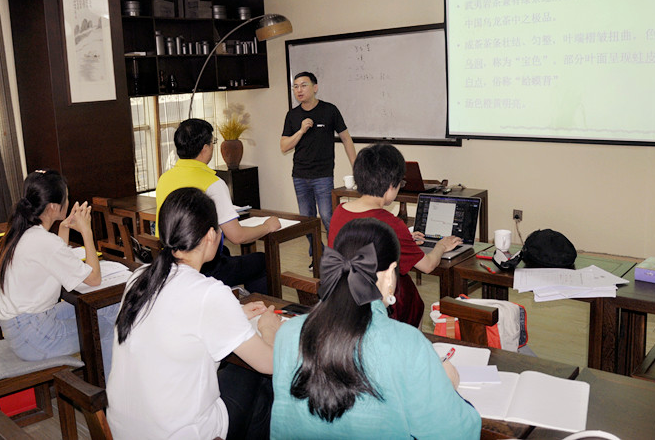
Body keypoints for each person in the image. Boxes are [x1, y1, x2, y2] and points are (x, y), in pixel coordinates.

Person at [271, 218, 481, 439]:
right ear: (390, 274)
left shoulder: (288, 334)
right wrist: (447, 386)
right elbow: (458, 434)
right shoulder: (408, 343)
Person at [108, 187, 282, 439]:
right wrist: (269, 329)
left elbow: (174, 321)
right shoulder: (209, 293)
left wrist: (235, 314)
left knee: (254, 404)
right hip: (179, 433)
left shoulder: (139, 278)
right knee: (260, 381)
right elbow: (270, 364)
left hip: (127, 429)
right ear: (211, 235)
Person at [0, 170, 119, 375]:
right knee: (106, 324)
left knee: (108, 309)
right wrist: (87, 231)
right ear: (53, 206)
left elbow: (53, 260)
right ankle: (104, 392)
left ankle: (105, 383)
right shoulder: (42, 240)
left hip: (22, 326)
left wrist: (65, 227)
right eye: (66, 197)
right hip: (34, 335)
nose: (69, 201)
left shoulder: (23, 230)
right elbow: (94, 279)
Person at [328, 143, 461, 327]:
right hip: (379, 306)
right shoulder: (391, 223)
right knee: (410, 293)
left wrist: (402, 238)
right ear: (391, 186)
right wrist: (441, 246)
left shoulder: (339, 211)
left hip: (343, 296)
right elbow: (428, 266)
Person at [156, 118, 280, 294]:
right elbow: (238, 236)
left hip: (171, 262)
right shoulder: (213, 183)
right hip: (202, 266)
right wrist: (267, 226)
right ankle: (262, 309)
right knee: (261, 261)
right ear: (205, 148)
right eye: (212, 142)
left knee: (227, 252)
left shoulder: (164, 178)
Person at [280, 71, 356, 257]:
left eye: (303, 85)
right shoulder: (292, 115)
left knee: (328, 218)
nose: (299, 90)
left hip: (323, 175)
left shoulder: (329, 110)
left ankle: (335, 257)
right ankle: (318, 255)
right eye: (295, 86)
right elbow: (284, 146)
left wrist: (357, 167)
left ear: (315, 88)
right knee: (306, 221)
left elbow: (346, 139)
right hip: (299, 175)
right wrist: (300, 131)